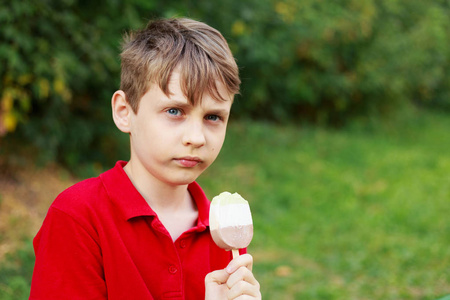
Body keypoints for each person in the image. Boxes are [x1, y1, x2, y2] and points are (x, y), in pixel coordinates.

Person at [29, 18, 261, 299]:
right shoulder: (79, 217)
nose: (197, 138)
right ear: (125, 112)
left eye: (213, 117)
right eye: (175, 111)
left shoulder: (223, 231)